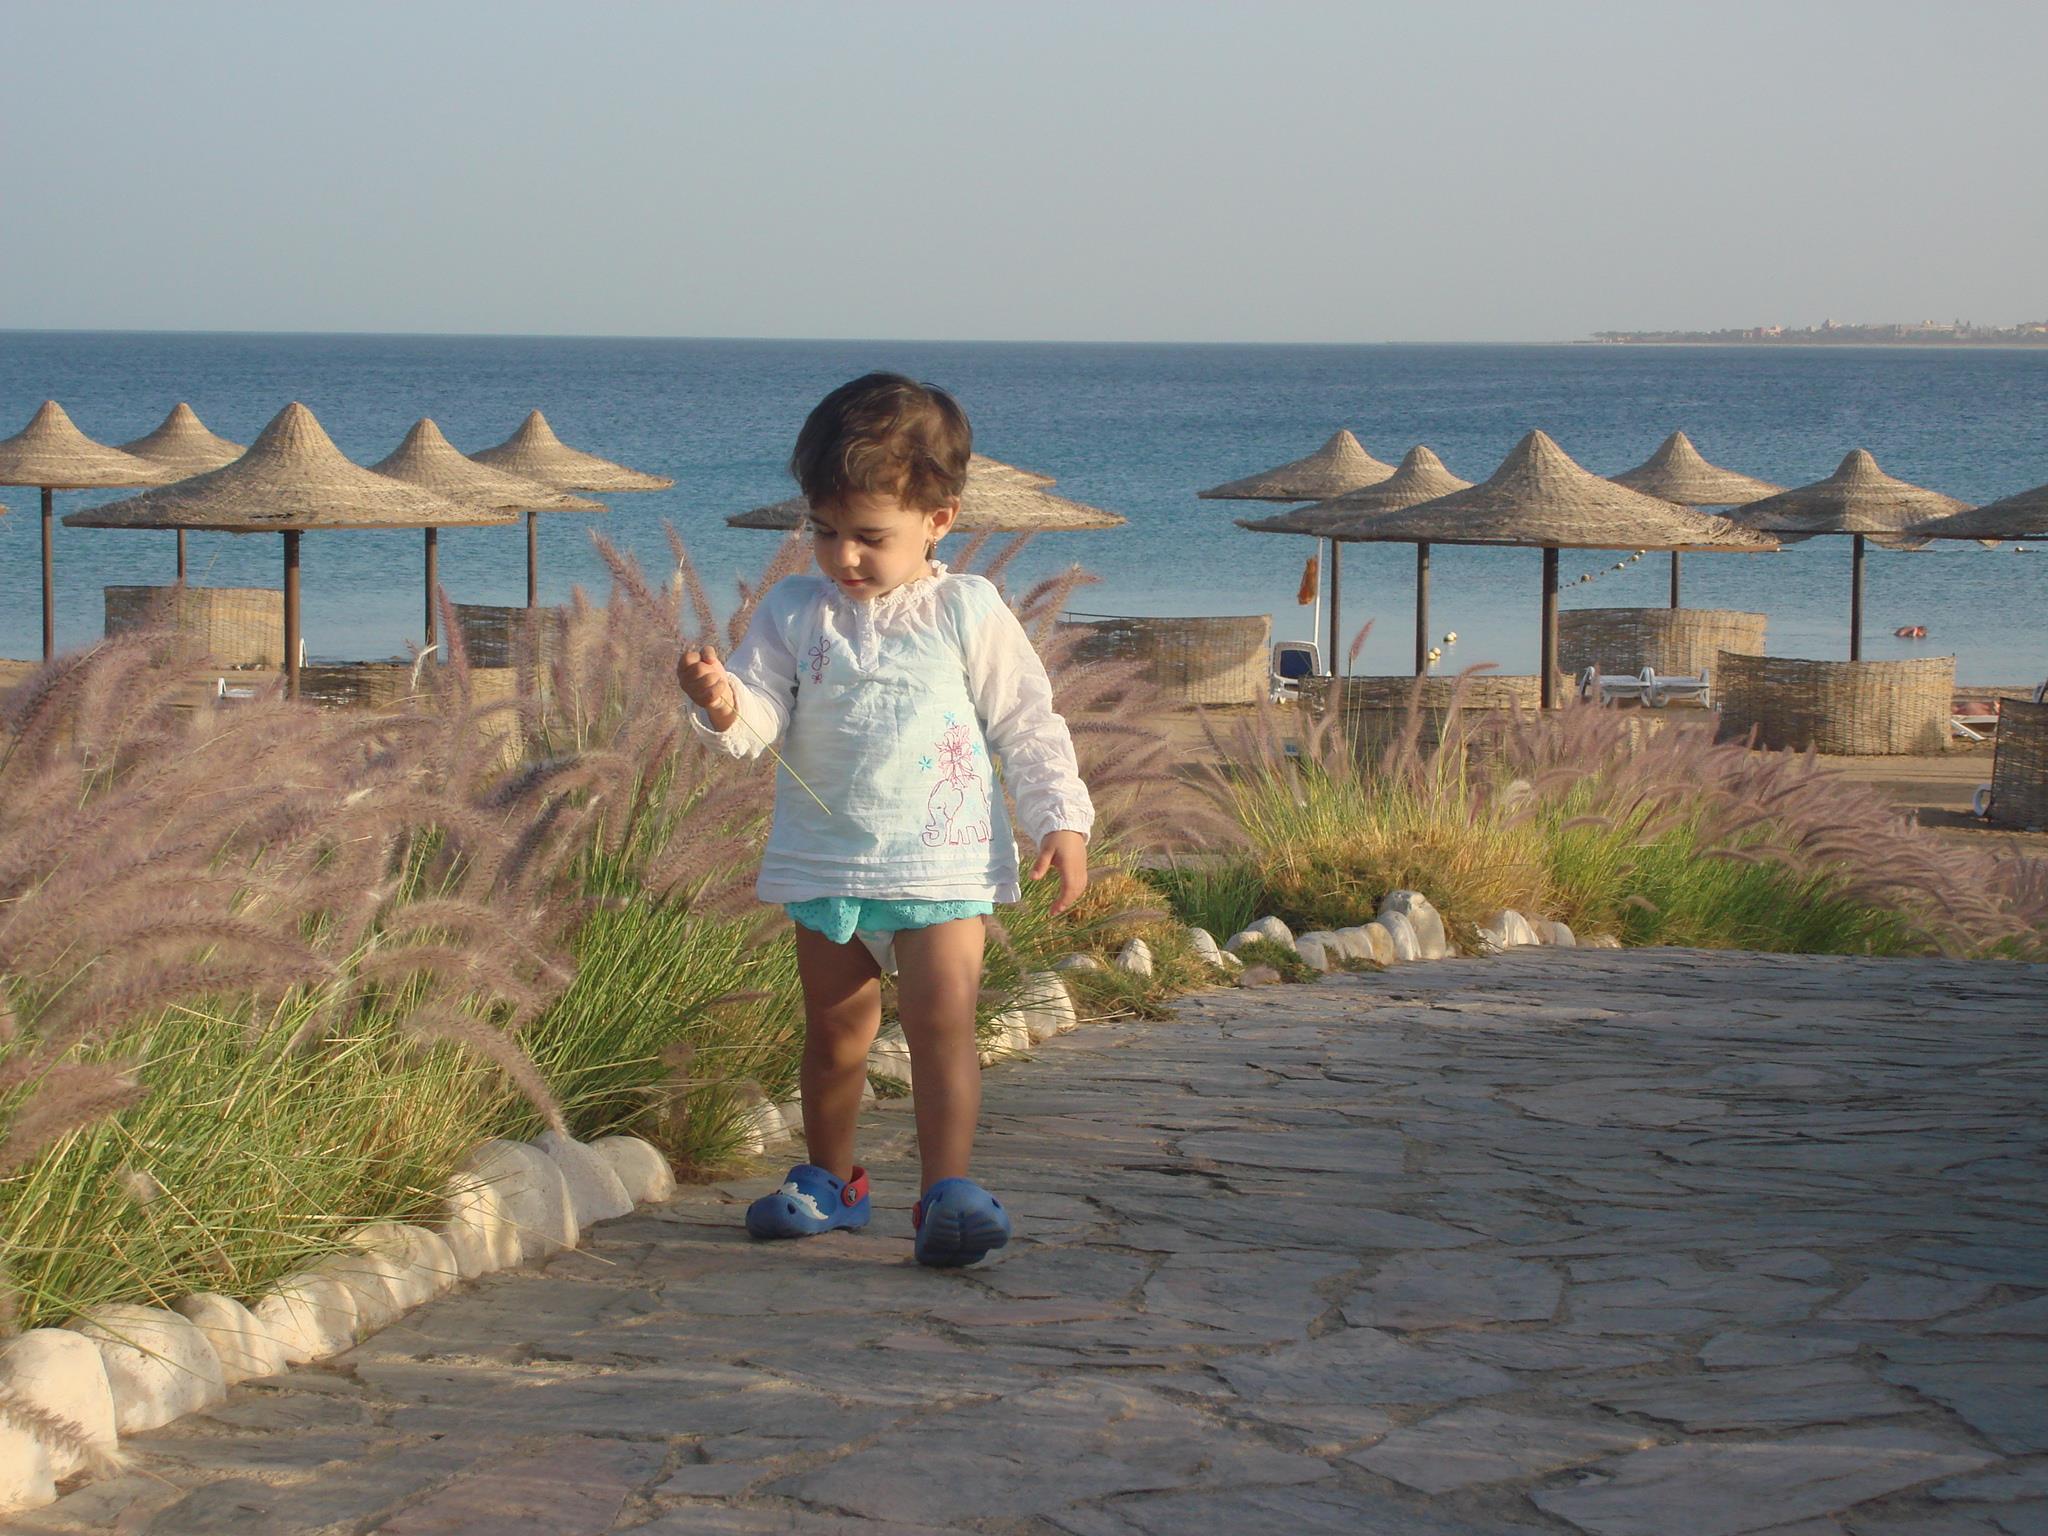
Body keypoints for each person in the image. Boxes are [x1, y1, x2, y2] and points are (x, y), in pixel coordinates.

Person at [677, 372, 1093, 1267]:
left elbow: (1026, 719)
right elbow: (761, 716)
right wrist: (721, 703)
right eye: (825, 531)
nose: (844, 556)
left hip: (943, 867)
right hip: (829, 865)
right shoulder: (796, 612)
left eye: (870, 537)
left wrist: (1059, 818)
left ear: (938, 519)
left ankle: (947, 1192)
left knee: (943, 1028)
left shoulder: (965, 608)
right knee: (835, 1035)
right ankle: (834, 1181)